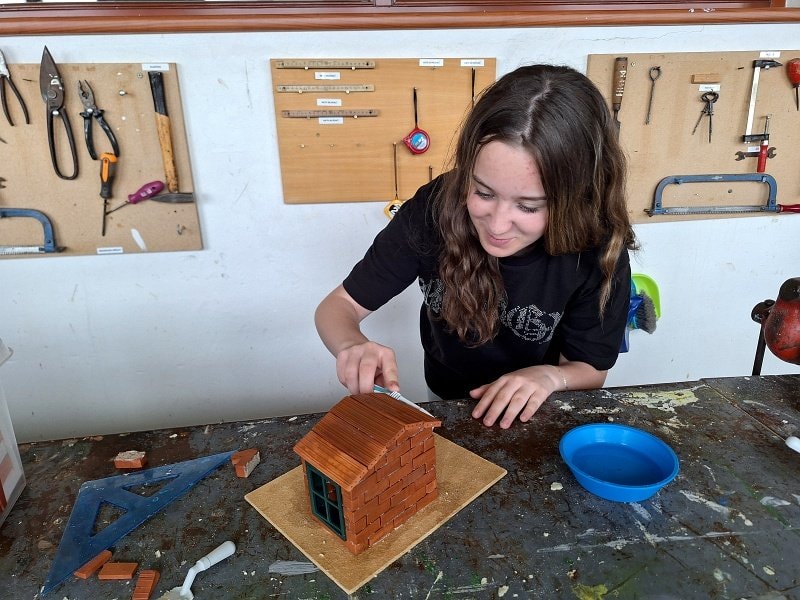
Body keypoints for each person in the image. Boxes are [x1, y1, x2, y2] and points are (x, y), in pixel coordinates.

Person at [315, 64, 637, 429]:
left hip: (542, 408)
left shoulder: (596, 245)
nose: (497, 226)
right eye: (483, 192)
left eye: (528, 207)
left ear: (574, 198)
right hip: (447, 397)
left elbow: (590, 369)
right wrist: (351, 345)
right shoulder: (434, 208)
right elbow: (338, 306)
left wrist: (550, 377)